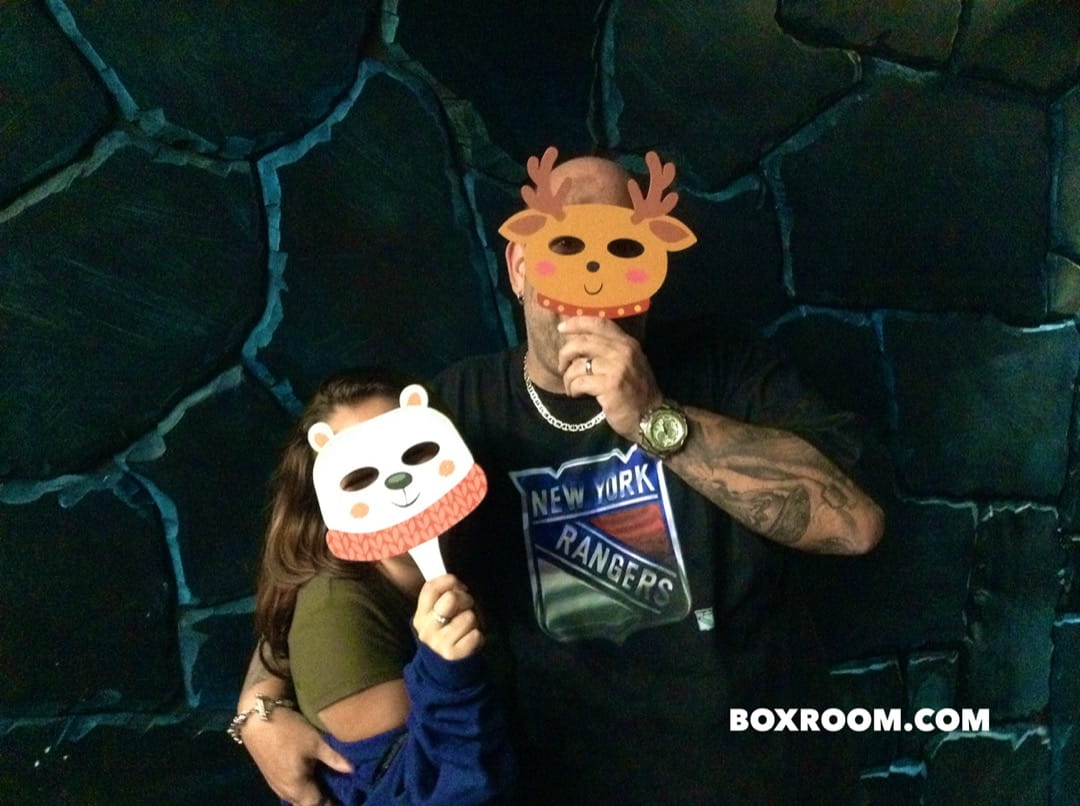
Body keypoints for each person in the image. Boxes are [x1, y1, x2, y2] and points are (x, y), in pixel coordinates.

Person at [234, 153, 885, 805]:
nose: (592, 280)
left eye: (623, 247)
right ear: (519, 267)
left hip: (758, 781)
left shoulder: (724, 368)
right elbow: (336, 550)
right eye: (566, 247)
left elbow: (856, 526)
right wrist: (259, 702)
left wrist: (656, 419)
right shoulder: (449, 418)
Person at [239, 368, 515, 805]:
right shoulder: (335, 620)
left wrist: (257, 700)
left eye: (416, 452)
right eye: (359, 477)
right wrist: (447, 673)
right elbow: (428, 790)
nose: (397, 483)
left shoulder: (472, 542)